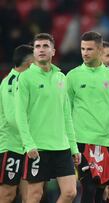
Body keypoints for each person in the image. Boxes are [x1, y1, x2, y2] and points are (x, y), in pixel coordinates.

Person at [66, 31, 109, 203]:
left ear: (100, 50)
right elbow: (65, 110)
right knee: (89, 188)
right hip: (82, 141)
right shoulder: (73, 76)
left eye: (89, 49)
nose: (84, 53)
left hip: (107, 141)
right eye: (82, 49)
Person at [15, 33, 80, 203]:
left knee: (70, 192)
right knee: (35, 195)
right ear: (34, 52)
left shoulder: (61, 77)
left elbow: (66, 114)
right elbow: (19, 114)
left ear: (53, 51)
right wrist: (28, 144)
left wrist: (73, 147)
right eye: (37, 47)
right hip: (38, 147)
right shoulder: (25, 78)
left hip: (62, 146)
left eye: (45, 46)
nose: (41, 50)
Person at [0, 44, 33, 203]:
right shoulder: (11, 83)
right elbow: (13, 118)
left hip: (27, 146)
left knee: (30, 195)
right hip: (11, 145)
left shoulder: (27, 82)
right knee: (8, 193)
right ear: (29, 64)